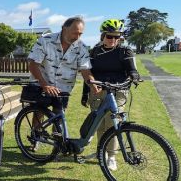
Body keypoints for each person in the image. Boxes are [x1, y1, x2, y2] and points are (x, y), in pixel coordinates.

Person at [27, 16, 99, 151]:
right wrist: (44, 85)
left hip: (63, 88)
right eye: (74, 32)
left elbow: (85, 70)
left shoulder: (81, 47)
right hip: (41, 84)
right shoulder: (45, 41)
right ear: (64, 28)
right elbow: (33, 64)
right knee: (38, 113)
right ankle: (35, 139)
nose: (77, 36)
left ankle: (57, 145)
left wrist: (92, 84)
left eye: (80, 33)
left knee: (59, 115)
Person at [81, 19, 140, 170]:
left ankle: (112, 156)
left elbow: (132, 69)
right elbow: (89, 73)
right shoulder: (95, 51)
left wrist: (134, 76)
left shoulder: (125, 51)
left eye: (117, 36)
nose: (113, 40)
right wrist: (85, 92)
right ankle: (102, 152)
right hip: (98, 90)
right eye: (110, 36)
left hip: (117, 90)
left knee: (113, 124)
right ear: (103, 35)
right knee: (98, 124)